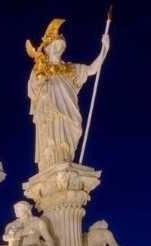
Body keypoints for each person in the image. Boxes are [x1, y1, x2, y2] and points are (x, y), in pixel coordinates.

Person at [26, 19, 110, 170]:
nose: (58, 49)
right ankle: (52, 164)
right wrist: (41, 80)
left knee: (69, 136)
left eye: (61, 46)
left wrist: (104, 50)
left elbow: (92, 69)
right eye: (55, 46)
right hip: (50, 111)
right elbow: (32, 90)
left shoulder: (70, 69)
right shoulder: (40, 69)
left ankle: (65, 160)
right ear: (48, 49)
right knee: (53, 137)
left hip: (68, 109)